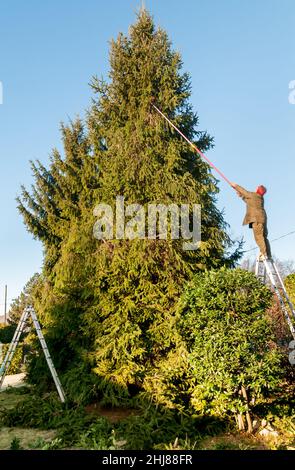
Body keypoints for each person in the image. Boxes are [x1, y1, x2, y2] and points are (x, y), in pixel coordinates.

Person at [231, 182, 272, 259]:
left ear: (258, 189)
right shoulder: (259, 198)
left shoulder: (254, 195)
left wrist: (236, 186)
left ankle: (264, 254)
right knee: (264, 237)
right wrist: (241, 196)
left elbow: (245, 192)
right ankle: (268, 255)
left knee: (259, 237)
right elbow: (249, 201)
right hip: (262, 219)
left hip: (256, 219)